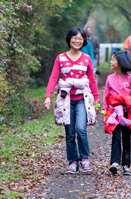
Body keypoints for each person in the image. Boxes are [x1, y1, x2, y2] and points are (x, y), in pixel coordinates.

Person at [44, 27, 100, 174]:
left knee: (81, 129)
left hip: (82, 99)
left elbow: (92, 81)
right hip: (65, 100)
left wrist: (97, 99)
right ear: (69, 39)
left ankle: (84, 158)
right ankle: (73, 162)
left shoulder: (86, 59)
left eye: (80, 38)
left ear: (84, 41)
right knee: (69, 133)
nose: (77, 40)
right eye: (75, 37)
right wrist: (47, 96)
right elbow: (53, 77)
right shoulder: (60, 58)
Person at [102, 50, 131, 175]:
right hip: (114, 113)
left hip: (128, 114)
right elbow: (106, 96)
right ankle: (114, 163)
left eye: (113, 59)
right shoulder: (109, 78)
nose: (111, 62)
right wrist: (105, 113)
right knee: (115, 137)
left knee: (126, 138)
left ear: (120, 62)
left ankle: (126, 165)